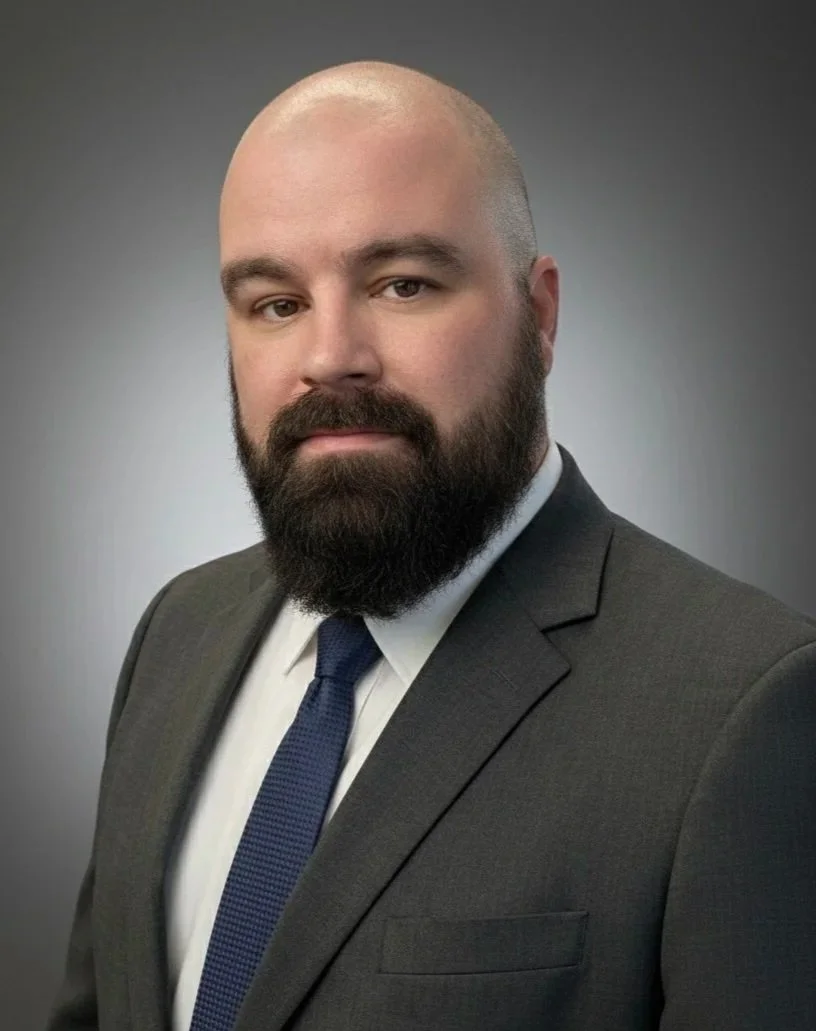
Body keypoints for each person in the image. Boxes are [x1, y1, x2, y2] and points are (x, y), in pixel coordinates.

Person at [47, 60, 816, 1031]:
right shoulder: (176, 633)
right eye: (275, 302)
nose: (330, 356)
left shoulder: (748, 710)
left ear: (539, 316)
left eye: (402, 282)